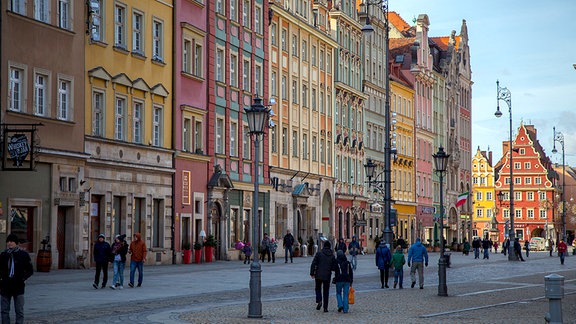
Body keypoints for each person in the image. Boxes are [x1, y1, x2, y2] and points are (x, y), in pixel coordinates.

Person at [0, 233, 33, 324]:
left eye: (12, 241)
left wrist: (22, 278)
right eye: (8, 241)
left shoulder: (23, 255)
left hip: (18, 286)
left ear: (16, 243)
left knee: (19, 310)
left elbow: (30, 270)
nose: (9, 243)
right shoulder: (3, 255)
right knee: (4, 310)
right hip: (5, 286)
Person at [310, 240, 336, 313]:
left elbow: (313, 263)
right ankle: (325, 308)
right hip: (327, 275)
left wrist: (312, 273)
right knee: (326, 291)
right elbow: (334, 267)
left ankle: (319, 300)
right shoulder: (332, 255)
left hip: (318, 274)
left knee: (318, 288)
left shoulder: (319, 253)